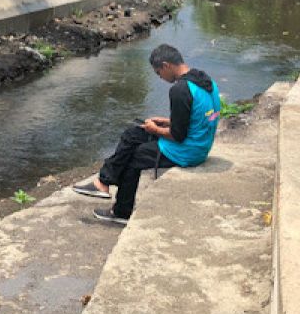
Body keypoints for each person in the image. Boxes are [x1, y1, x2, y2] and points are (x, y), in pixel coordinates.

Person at [73, 44, 221, 225]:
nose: (160, 77)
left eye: (159, 73)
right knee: (133, 134)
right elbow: (199, 118)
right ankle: (103, 183)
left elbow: (178, 136)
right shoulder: (205, 81)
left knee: (136, 155)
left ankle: (121, 212)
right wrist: (167, 122)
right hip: (201, 143)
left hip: (188, 151)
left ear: (166, 65)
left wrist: (155, 130)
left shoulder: (180, 90)